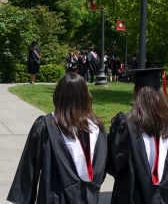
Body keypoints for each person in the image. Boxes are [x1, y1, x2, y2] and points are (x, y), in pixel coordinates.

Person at [7, 73, 108, 204]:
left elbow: (29, 166)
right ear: (86, 97)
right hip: (88, 198)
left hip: (53, 197)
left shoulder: (46, 125)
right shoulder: (98, 129)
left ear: (58, 97)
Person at [107, 68, 168, 204]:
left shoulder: (126, 125)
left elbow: (116, 163)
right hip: (165, 195)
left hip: (131, 195)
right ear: (160, 94)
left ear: (136, 93)